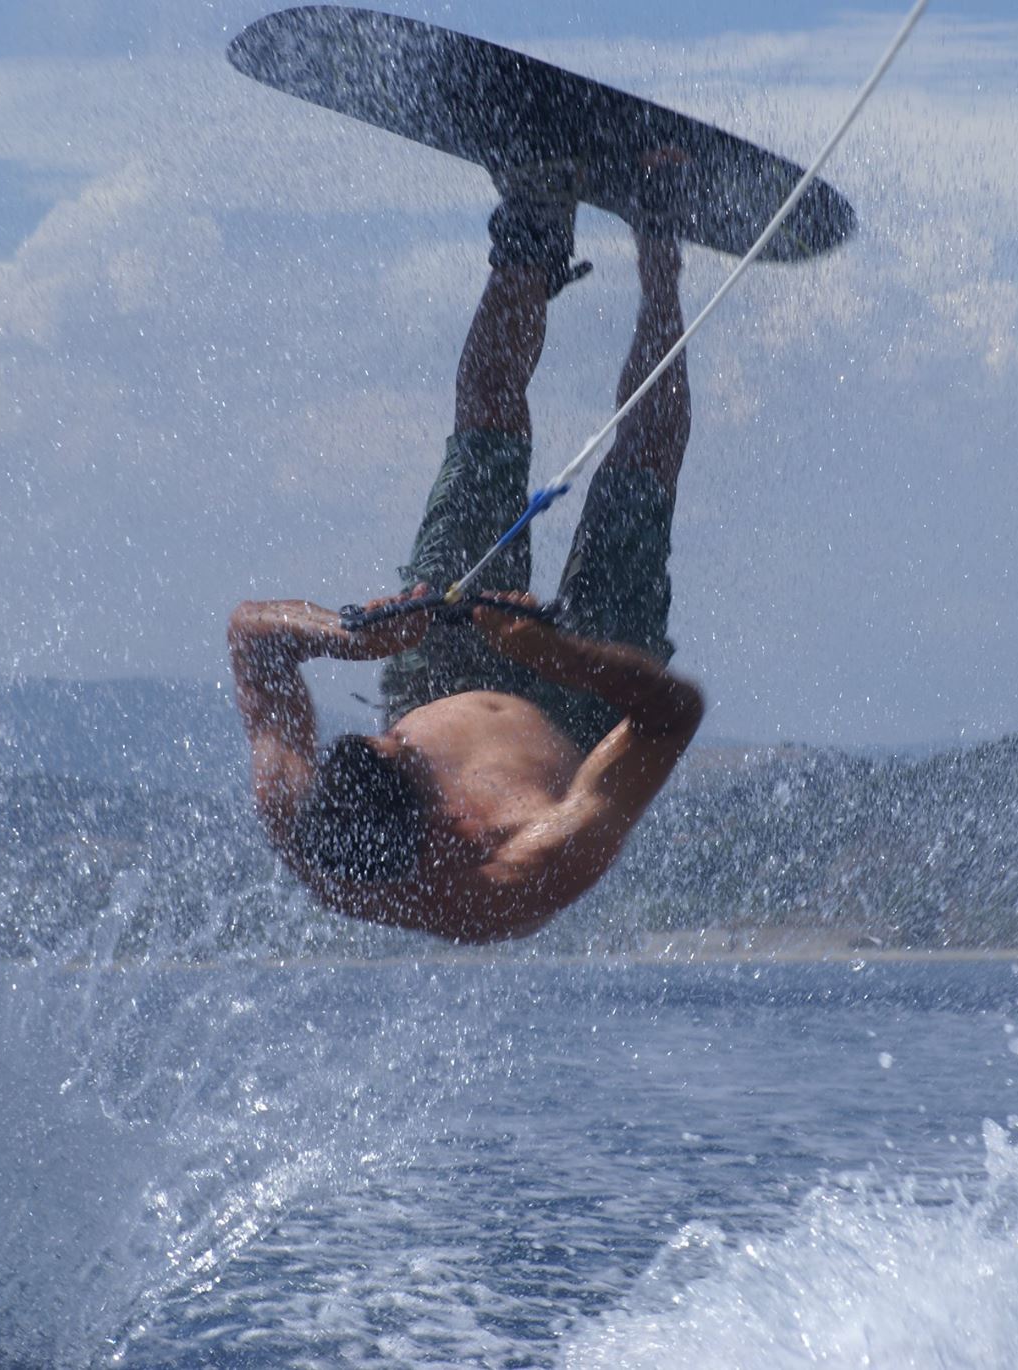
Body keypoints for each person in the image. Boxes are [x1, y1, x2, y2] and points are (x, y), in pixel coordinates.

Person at [228, 157, 704, 943]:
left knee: (484, 422)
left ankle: (531, 218)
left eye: (386, 739)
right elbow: (673, 715)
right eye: (406, 755)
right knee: (638, 473)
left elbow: (252, 634)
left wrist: (352, 635)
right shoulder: (528, 858)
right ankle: (661, 247)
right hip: (581, 700)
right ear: (446, 820)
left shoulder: (299, 816)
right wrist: (558, 655)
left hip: (438, 656)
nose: (404, 736)